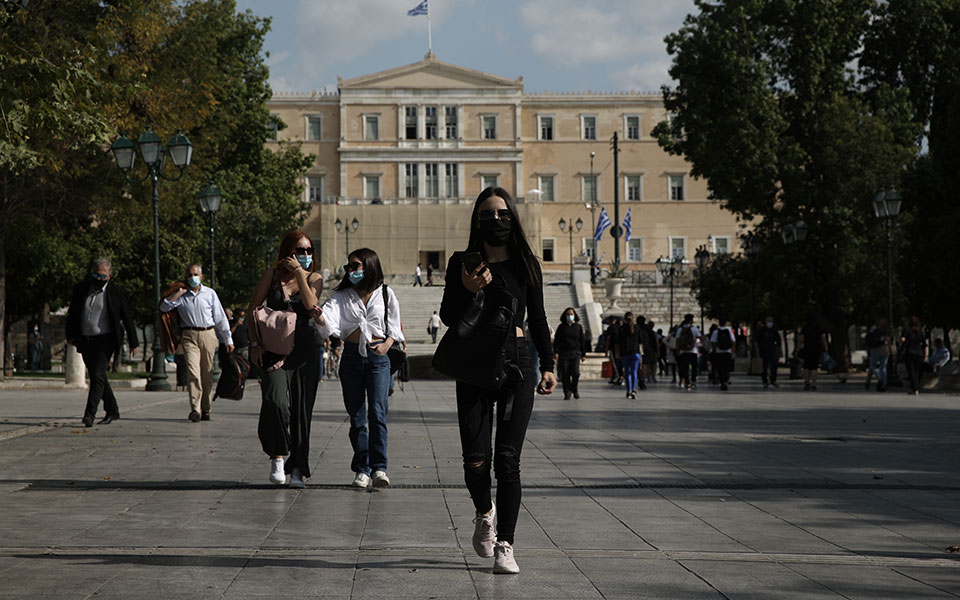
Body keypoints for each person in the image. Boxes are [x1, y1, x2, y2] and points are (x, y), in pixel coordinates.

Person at [439, 187, 557, 575]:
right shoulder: (463, 262)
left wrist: (550, 364)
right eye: (488, 215)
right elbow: (447, 317)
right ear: (477, 220)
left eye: (503, 214)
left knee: (508, 460)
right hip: (474, 362)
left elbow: (537, 318)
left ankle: (506, 544)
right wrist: (469, 291)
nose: (497, 221)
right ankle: (484, 512)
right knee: (475, 462)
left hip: (518, 363)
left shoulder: (526, 264)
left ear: (514, 219)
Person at [313, 247, 403, 489]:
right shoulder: (342, 295)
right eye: (348, 267)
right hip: (352, 356)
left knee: (378, 412)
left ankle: (379, 468)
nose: (350, 271)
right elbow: (328, 321)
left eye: (355, 266)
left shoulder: (385, 294)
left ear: (369, 266)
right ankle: (362, 469)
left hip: (377, 356)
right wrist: (319, 316)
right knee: (357, 416)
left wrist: (386, 345)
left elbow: (394, 326)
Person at [248, 231, 323, 488]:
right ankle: (278, 455)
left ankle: (298, 470)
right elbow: (252, 310)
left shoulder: (314, 277)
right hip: (273, 349)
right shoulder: (271, 276)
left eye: (309, 251)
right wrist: (255, 343)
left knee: (302, 412)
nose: (305, 255)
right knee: (275, 400)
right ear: (288, 252)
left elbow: (312, 304)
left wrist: (301, 274)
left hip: (305, 351)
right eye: (300, 250)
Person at [66, 258, 139, 427]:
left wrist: (134, 342)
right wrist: (70, 335)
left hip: (105, 340)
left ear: (110, 276)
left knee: (97, 376)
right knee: (99, 377)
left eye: (102, 276)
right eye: (95, 275)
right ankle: (113, 410)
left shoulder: (116, 293)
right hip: (85, 339)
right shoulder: (81, 289)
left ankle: (89, 414)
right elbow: (73, 314)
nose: (98, 279)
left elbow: (127, 317)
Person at [161, 264, 234, 422]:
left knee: (207, 374)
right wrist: (178, 294)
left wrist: (227, 338)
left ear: (201, 276)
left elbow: (220, 317)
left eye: (195, 274)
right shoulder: (181, 294)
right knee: (193, 372)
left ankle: (206, 408)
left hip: (208, 334)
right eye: (189, 274)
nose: (192, 277)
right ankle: (195, 409)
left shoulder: (210, 293)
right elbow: (164, 307)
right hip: (189, 335)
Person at [553, 307, 585, 399]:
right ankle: (567, 392)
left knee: (575, 373)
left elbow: (582, 340)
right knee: (565, 373)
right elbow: (557, 341)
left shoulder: (578, 327)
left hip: (575, 353)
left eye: (571, 314)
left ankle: (574, 389)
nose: (569, 316)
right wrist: (556, 352)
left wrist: (583, 354)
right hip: (564, 353)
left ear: (575, 315)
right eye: (568, 314)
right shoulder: (561, 327)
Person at [617, 312, 643, 399]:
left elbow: (618, 342)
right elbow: (640, 341)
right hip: (635, 352)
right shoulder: (637, 328)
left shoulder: (621, 328)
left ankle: (628, 391)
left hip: (625, 353)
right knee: (634, 372)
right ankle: (634, 390)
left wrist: (617, 353)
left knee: (627, 372)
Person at [798, 314, 827, 391]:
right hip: (816, 349)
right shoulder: (819, 328)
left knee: (806, 367)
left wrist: (797, 349)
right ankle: (814, 384)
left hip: (807, 349)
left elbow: (801, 339)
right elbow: (823, 339)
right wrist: (826, 349)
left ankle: (807, 382)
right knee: (814, 367)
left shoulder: (805, 329)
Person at [899, 316, 926, 395]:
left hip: (909, 353)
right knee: (916, 372)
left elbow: (902, 339)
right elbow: (925, 345)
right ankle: (916, 387)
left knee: (911, 371)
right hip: (919, 354)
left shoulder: (907, 330)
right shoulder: (920, 333)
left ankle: (915, 389)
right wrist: (925, 356)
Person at [673, 314, 701, 391]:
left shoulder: (680, 329)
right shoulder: (694, 329)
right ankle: (693, 382)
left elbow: (677, 341)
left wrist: (677, 350)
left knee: (684, 368)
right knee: (694, 367)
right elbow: (700, 337)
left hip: (683, 351)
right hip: (693, 351)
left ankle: (687, 382)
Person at [709, 319, 736, 391]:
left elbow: (713, 342)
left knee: (720, 367)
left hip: (719, 352)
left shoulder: (716, 332)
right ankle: (725, 381)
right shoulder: (729, 331)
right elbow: (733, 341)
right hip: (727, 352)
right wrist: (732, 349)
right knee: (727, 367)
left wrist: (715, 350)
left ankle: (722, 382)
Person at [756, 316, 782, 389]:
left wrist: (780, 351)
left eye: (771, 321)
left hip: (773, 351)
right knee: (764, 367)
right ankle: (765, 381)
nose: (770, 323)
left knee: (774, 366)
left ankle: (773, 380)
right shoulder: (761, 330)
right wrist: (757, 350)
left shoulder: (774, 331)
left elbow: (779, 342)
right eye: (768, 321)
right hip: (764, 351)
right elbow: (756, 341)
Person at [864, 318, 890, 392]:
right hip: (885, 349)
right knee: (883, 367)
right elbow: (889, 341)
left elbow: (868, 338)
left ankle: (879, 379)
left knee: (872, 366)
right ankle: (884, 384)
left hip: (875, 349)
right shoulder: (887, 331)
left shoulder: (873, 329)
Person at [643, 319, 659, 383]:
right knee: (653, 364)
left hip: (648, 349)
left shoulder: (645, 332)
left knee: (648, 364)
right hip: (652, 349)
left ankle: (649, 377)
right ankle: (652, 377)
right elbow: (656, 343)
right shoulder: (654, 333)